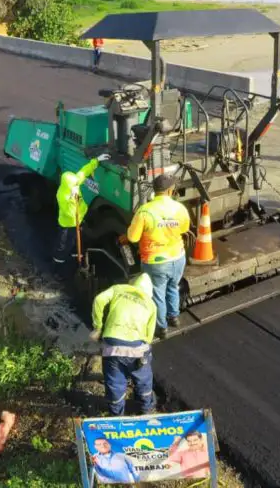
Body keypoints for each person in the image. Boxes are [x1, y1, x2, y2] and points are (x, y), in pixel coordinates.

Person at [126, 174, 191, 339]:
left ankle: (161, 327)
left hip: (156, 261)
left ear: (155, 191)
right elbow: (184, 228)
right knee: (173, 286)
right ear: (170, 191)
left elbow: (132, 237)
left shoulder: (145, 211)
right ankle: (174, 317)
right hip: (178, 257)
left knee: (158, 293)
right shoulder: (180, 208)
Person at [90, 273, 157, 416]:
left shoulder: (119, 289)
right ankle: (146, 409)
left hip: (113, 347)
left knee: (115, 383)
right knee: (144, 378)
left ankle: (116, 416)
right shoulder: (151, 305)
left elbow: (98, 299)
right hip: (138, 350)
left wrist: (98, 326)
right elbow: (149, 336)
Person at [53, 153, 110, 271]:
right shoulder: (62, 195)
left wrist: (96, 160)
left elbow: (84, 172)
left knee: (78, 241)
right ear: (68, 186)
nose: (76, 186)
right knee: (63, 246)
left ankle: (78, 258)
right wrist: (73, 199)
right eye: (74, 185)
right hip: (67, 225)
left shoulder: (74, 182)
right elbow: (71, 213)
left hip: (79, 221)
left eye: (76, 184)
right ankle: (58, 266)